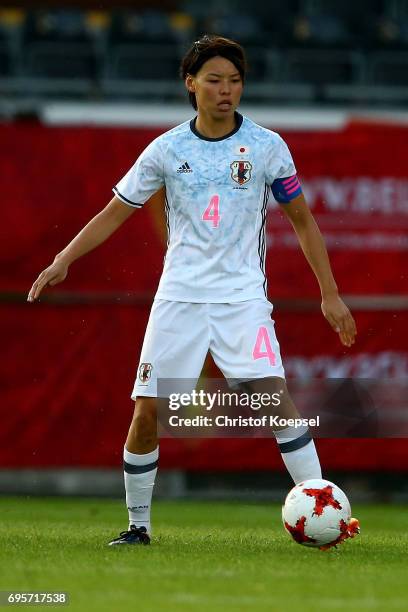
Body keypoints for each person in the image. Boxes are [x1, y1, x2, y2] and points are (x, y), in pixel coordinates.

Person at [28, 35, 357, 546]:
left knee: (276, 401)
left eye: (235, 81)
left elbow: (304, 221)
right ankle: (138, 526)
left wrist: (329, 294)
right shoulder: (166, 149)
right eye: (215, 80)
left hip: (243, 299)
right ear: (191, 84)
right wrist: (63, 259)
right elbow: (115, 211)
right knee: (148, 412)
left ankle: (325, 516)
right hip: (178, 298)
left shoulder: (268, 147)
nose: (226, 91)